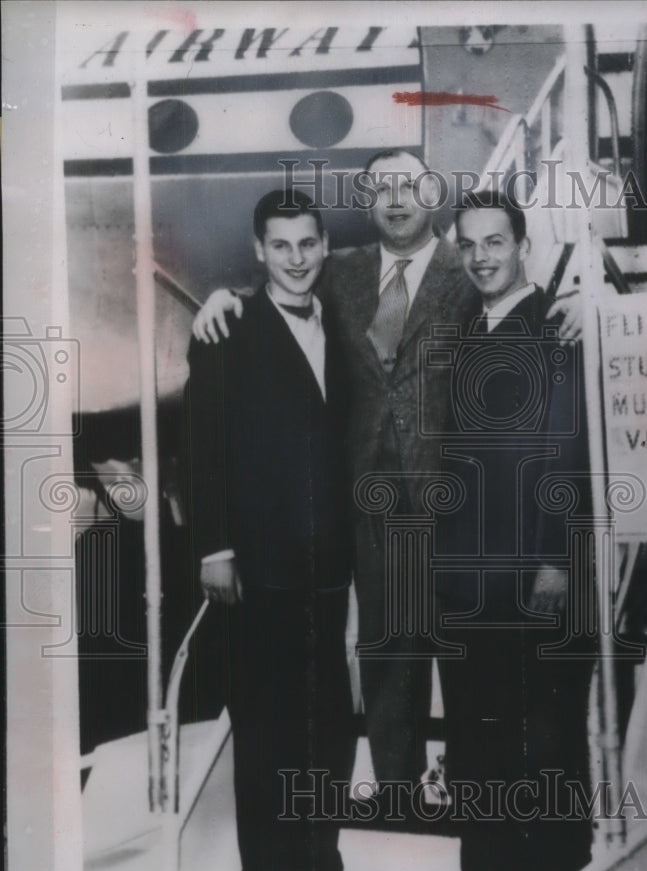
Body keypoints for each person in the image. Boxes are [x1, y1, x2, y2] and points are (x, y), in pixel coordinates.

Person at [192, 149, 582, 790]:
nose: (396, 198)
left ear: (433, 193)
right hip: (367, 501)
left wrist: (587, 308)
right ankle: (398, 789)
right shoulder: (337, 270)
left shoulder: (472, 266)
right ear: (366, 199)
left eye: (411, 185)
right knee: (387, 647)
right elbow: (278, 285)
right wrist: (221, 296)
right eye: (381, 188)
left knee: (471, 662)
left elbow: (527, 304)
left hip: (461, 509)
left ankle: (470, 790)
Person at [184, 189, 375, 871]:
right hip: (255, 570)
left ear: (325, 246)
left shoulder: (339, 319)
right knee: (266, 732)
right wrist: (215, 548)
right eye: (281, 246)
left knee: (326, 730)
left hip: (328, 572)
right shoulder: (226, 328)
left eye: (308, 243)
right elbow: (200, 446)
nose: (296, 259)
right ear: (259, 253)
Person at [434, 190, 594, 871]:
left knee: (545, 741)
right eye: (470, 244)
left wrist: (558, 560)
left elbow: (568, 452)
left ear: (522, 245)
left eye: (495, 242)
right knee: (476, 740)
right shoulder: (468, 329)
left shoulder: (555, 331)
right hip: (470, 585)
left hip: (535, 578)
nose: (482, 256)